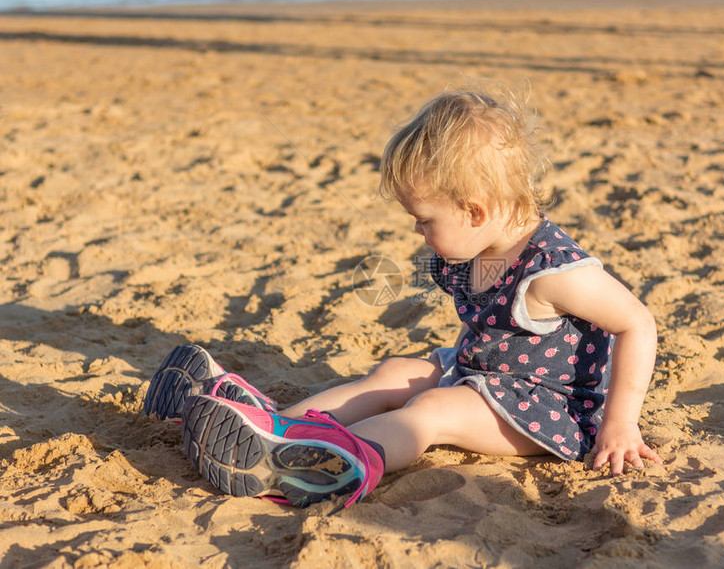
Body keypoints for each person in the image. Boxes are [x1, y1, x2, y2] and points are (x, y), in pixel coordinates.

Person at [143, 86, 662, 512]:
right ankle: (277, 427)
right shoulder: (484, 245)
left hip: (548, 408)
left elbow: (637, 323)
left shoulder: (556, 274)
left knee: (431, 409)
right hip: (481, 372)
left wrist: (620, 424)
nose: (417, 230)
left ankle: (337, 463)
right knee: (394, 372)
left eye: (425, 219)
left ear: (475, 211)